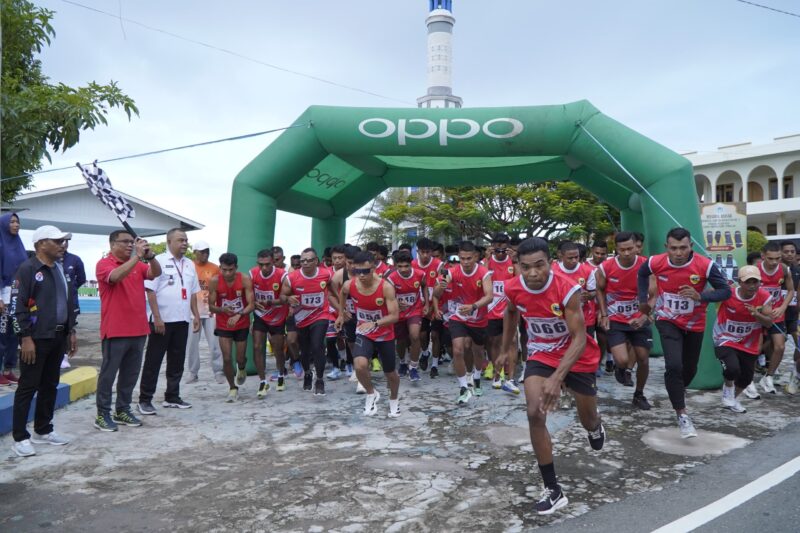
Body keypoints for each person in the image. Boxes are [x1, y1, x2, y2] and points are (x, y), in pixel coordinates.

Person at [499, 237, 604, 515]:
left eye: (539, 266)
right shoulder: (513, 288)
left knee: (588, 418)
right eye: (526, 267)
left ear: (550, 263)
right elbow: (510, 313)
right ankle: (553, 490)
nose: (533, 273)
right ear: (518, 266)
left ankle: (595, 427)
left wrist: (558, 378)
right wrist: (506, 348)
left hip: (577, 355)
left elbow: (580, 338)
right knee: (534, 413)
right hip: (541, 355)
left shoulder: (567, 289)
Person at [638, 227, 731, 438]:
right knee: (673, 365)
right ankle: (682, 414)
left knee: (688, 370)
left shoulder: (705, 266)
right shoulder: (656, 262)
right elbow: (642, 273)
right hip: (667, 319)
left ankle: (676, 389)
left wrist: (701, 297)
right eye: (674, 248)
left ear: (691, 247)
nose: (679, 253)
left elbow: (725, 291)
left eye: (683, 248)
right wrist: (642, 299)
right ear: (666, 248)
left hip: (695, 324)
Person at [10, 226, 78, 457]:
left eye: (64, 241)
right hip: (36, 339)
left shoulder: (59, 268)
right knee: (28, 387)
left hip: (58, 336)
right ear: (41, 244)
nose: (63, 245)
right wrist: (25, 338)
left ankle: (43, 429)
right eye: (57, 241)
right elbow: (17, 307)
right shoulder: (28, 269)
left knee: (50, 384)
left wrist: (71, 331)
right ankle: (20, 437)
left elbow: (67, 302)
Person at [94, 230, 161, 431]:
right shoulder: (105, 264)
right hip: (115, 330)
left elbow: (155, 273)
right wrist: (138, 257)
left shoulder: (137, 265)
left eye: (132, 242)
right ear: (113, 244)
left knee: (130, 375)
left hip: (138, 329)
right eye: (125, 242)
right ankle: (102, 414)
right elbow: (115, 277)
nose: (130, 245)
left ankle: (122, 409)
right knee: (108, 375)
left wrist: (151, 257)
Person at [137, 228, 201, 415]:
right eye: (180, 240)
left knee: (177, 360)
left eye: (186, 240)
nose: (184, 243)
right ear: (170, 242)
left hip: (182, 320)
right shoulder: (159, 262)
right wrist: (157, 317)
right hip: (162, 321)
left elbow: (191, 292)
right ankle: (145, 399)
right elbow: (150, 291)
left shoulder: (189, 264)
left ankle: (172, 396)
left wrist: (195, 315)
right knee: (153, 361)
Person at [336, 251, 400, 416]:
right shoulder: (350, 285)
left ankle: (394, 400)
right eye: (358, 271)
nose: (362, 275)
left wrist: (375, 323)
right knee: (360, 365)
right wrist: (341, 314)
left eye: (366, 271)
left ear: (374, 268)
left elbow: (394, 316)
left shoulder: (385, 287)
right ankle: (371, 393)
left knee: (390, 373)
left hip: (385, 334)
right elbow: (342, 293)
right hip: (364, 332)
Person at [595, 232, 653, 409]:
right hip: (616, 319)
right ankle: (621, 369)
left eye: (630, 249)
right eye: (622, 250)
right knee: (621, 360)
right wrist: (604, 314)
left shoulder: (646, 266)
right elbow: (599, 290)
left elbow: (654, 294)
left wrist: (645, 315)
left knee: (643, 358)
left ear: (636, 246)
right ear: (616, 249)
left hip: (639, 319)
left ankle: (639, 394)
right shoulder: (606, 267)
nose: (627, 253)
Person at [433, 241, 493, 404]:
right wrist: (442, 286)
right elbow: (437, 294)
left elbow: (489, 296)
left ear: (475, 257)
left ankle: (477, 377)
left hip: (478, 318)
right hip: (458, 317)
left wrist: (474, 306)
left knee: (478, 351)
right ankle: (463, 387)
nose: (465, 262)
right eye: (462, 258)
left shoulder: (484, 273)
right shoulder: (452, 272)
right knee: (458, 349)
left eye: (468, 258)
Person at [713, 265, 773, 413]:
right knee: (733, 368)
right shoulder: (728, 294)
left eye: (755, 282)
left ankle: (732, 399)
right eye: (748, 282)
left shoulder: (764, 297)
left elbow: (769, 322)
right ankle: (728, 390)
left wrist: (756, 315)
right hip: (724, 337)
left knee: (746, 378)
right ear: (739, 282)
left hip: (748, 342)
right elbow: (709, 295)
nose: (752, 286)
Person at [280, 247, 338, 395]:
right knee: (305, 350)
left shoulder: (326, 274)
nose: (305, 263)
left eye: (309, 260)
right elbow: (282, 296)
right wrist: (288, 298)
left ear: (316, 261)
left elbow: (332, 291)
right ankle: (307, 373)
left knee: (318, 345)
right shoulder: (292, 277)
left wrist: (340, 309)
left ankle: (320, 380)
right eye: (303, 260)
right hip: (301, 318)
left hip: (320, 315)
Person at [209, 253, 255, 402]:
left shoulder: (245, 279)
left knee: (240, 358)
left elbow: (251, 305)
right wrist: (222, 310)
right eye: (224, 270)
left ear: (236, 267)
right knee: (227, 358)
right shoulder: (215, 281)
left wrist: (238, 315)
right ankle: (232, 388)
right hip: (223, 323)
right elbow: (210, 306)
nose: (227, 273)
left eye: (230, 270)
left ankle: (242, 367)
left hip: (241, 322)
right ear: (220, 268)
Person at [485, 233, 520, 394]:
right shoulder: (487, 261)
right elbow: (481, 279)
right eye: (497, 248)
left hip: (509, 308)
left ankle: (511, 378)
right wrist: (486, 260)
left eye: (503, 248)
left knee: (513, 341)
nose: (500, 251)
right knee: (494, 342)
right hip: (491, 309)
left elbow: (521, 281)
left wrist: (515, 261)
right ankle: (497, 375)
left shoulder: (512, 262)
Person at [757, 241, 795, 394]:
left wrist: (783, 307)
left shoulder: (784, 269)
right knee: (757, 348)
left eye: (777, 258)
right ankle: (746, 380)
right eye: (770, 258)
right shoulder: (755, 270)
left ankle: (769, 377)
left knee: (780, 346)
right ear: (763, 256)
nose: (774, 262)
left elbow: (791, 290)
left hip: (776, 313)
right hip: (758, 314)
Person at [185, 240, 225, 384]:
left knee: (215, 343)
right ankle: (193, 373)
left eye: (207, 251)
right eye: (202, 251)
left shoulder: (215, 268)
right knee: (191, 344)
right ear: (195, 252)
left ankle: (219, 371)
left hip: (210, 311)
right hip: (191, 312)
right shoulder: (188, 266)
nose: (205, 254)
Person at [250, 249, 288, 395]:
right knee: (257, 346)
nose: (264, 268)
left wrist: (269, 301)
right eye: (261, 264)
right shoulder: (253, 274)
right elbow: (248, 294)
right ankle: (262, 381)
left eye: (267, 264)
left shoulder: (282, 275)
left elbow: (284, 298)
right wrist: (253, 302)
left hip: (277, 317)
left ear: (273, 262)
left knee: (278, 348)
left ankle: (280, 374)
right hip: (260, 315)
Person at [387, 250, 428, 382]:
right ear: (395, 266)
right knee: (401, 341)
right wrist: (396, 302)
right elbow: (388, 296)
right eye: (400, 266)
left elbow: (424, 286)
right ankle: (403, 362)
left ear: (411, 264)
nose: (403, 269)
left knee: (415, 336)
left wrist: (426, 303)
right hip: (398, 313)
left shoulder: (420, 274)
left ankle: (413, 367)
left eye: (406, 266)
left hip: (415, 310)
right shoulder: (391, 278)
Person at [0, 212, 27, 386]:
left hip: (17, 295)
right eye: (12, 222)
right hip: (3, 295)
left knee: (13, 334)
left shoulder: (19, 245)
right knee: (1, 335)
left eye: (17, 222)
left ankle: (8, 370)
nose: (16, 225)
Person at [412, 238, 443, 376]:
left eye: (428, 252)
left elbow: (442, 287)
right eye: (422, 252)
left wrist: (432, 307)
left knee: (435, 335)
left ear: (432, 252)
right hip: (420, 306)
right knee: (422, 335)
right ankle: (425, 353)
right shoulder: (412, 265)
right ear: (417, 251)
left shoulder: (439, 265)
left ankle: (435, 365)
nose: (425, 255)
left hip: (436, 305)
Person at [59, 238, 86, 369]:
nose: (63, 245)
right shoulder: (52, 258)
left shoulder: (75, 259)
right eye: (60, 242)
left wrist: (71, 288)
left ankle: (64, 356)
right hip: (55, 301)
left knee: (69, 328)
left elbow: (81, 279)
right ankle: (56, 355)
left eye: (66, 242)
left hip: (71, 301)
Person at [780, 240, 800, 394]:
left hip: (794, 315)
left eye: (792, 251)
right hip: (776, 315)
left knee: (798, 344)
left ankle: (795, 375)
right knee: (772, 346)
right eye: (786, 251)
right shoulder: (775, 270)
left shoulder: (798, 270)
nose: (789, 254)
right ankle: (766, 370)